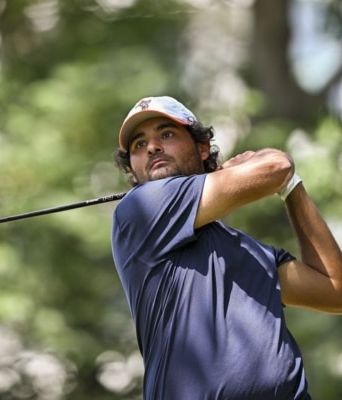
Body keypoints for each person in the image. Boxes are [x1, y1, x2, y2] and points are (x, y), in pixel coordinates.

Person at [111, 96, 342, 400]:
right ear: (132, 168)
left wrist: (291, 187)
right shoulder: (140, 208)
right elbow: (277, 165)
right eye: (139, 144)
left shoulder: (251, 251)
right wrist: (275, 169)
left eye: (166, 134)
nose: (152, 147)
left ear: (202, 148)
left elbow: (334, 290)